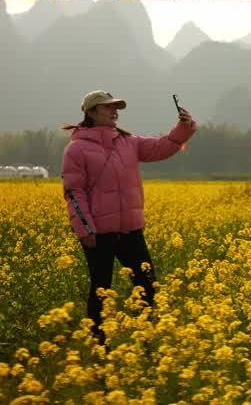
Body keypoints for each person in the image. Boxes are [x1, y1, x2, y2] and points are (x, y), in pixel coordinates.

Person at [61, 90, 195, 344]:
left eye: (116, 107)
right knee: (101, 290)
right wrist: (85, 228)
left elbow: (160, 147)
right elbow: (73, 192)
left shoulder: (128, 141)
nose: (115, 111)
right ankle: (99, 345)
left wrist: (183, 129)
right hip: (97, 233)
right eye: (107, 107)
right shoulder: (76, 149)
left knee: (147, 287)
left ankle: (144, 341)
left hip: (131, 230)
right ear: (91, 113)